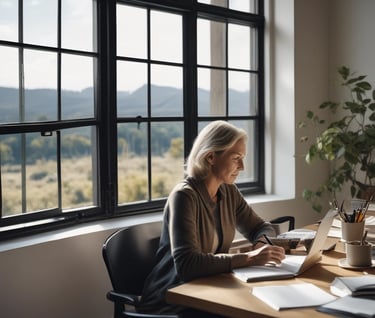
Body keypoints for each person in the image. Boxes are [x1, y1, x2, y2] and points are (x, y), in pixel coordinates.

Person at [140, 120, 285, 316]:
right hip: (174, 299)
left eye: (243, 158)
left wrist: (261, 244)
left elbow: (261, 227)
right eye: (236, 158)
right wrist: (248, 258)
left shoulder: (228, 191)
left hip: (208, 290)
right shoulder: (184, 196)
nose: (242, 166)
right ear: (210, 157)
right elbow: (187, 265)